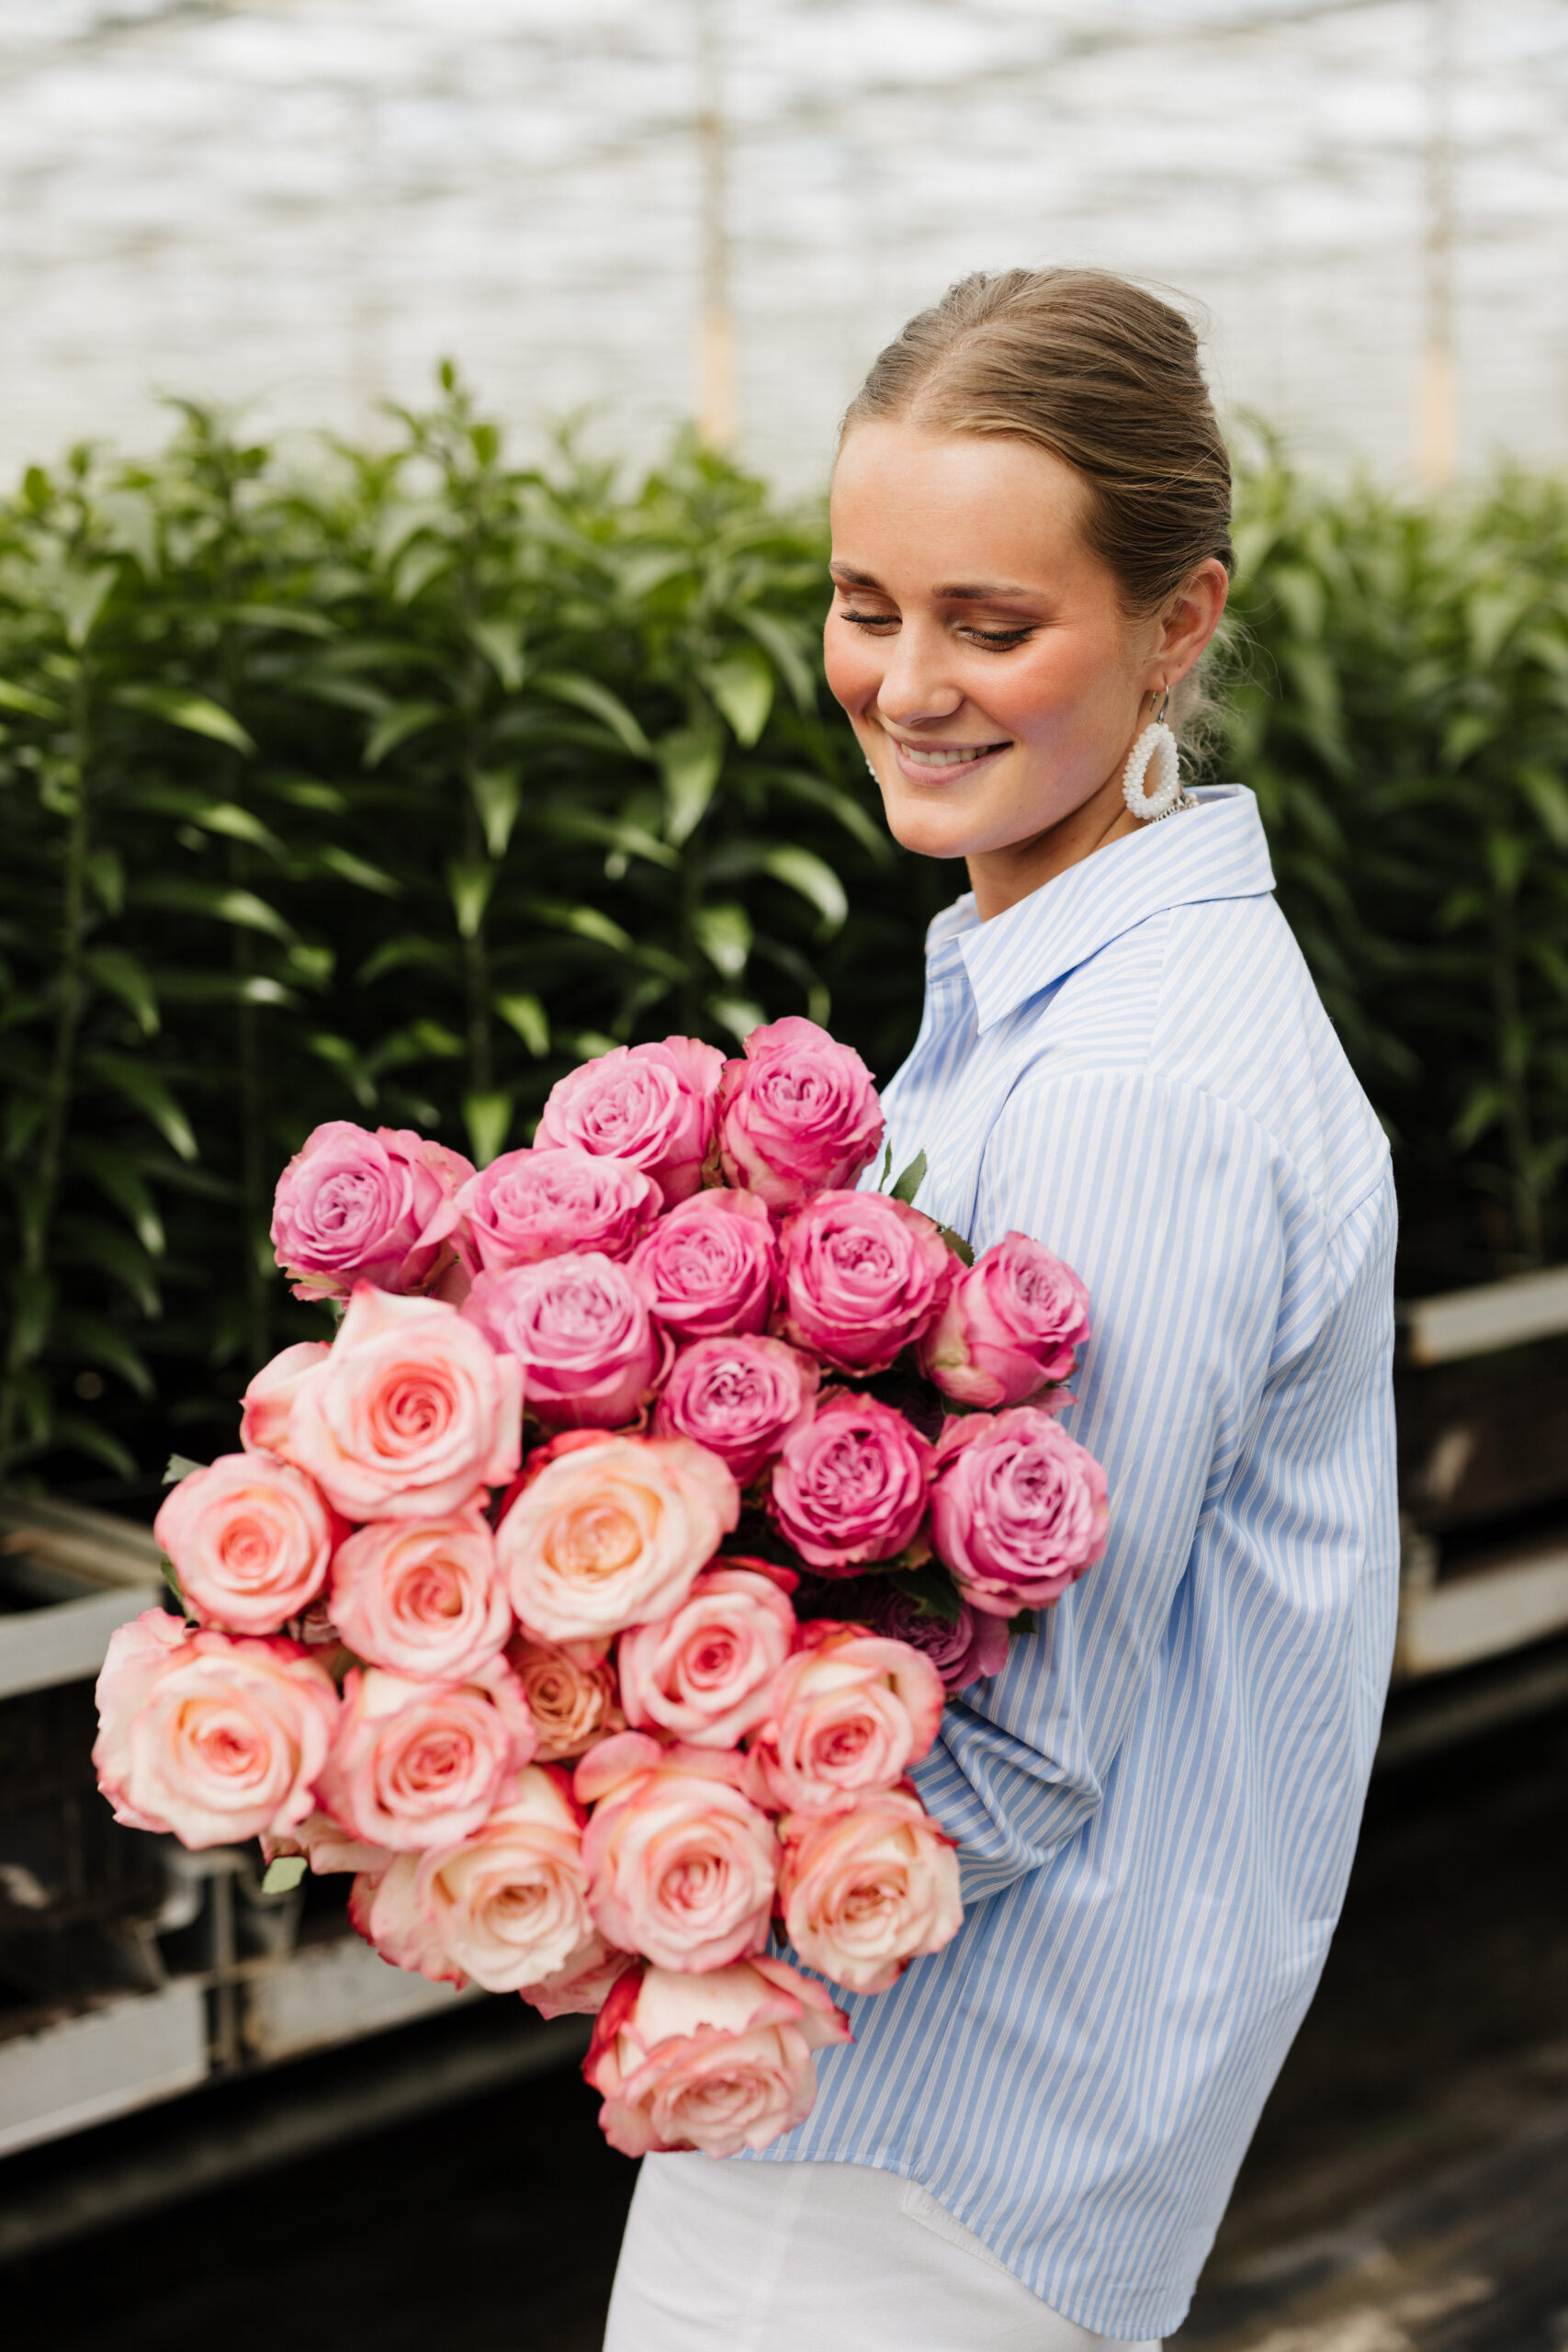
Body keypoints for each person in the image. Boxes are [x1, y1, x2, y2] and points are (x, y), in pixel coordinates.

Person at [604, 267, 1399, 2351]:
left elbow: (1020, 1735)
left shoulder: (1130, 1080)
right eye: (867, 602)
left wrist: (633, 1862)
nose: (904, 680)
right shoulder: (1067, 998)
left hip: (910, 2148)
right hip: (932, 2131)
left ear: (1176, 619)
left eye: (991, 620)